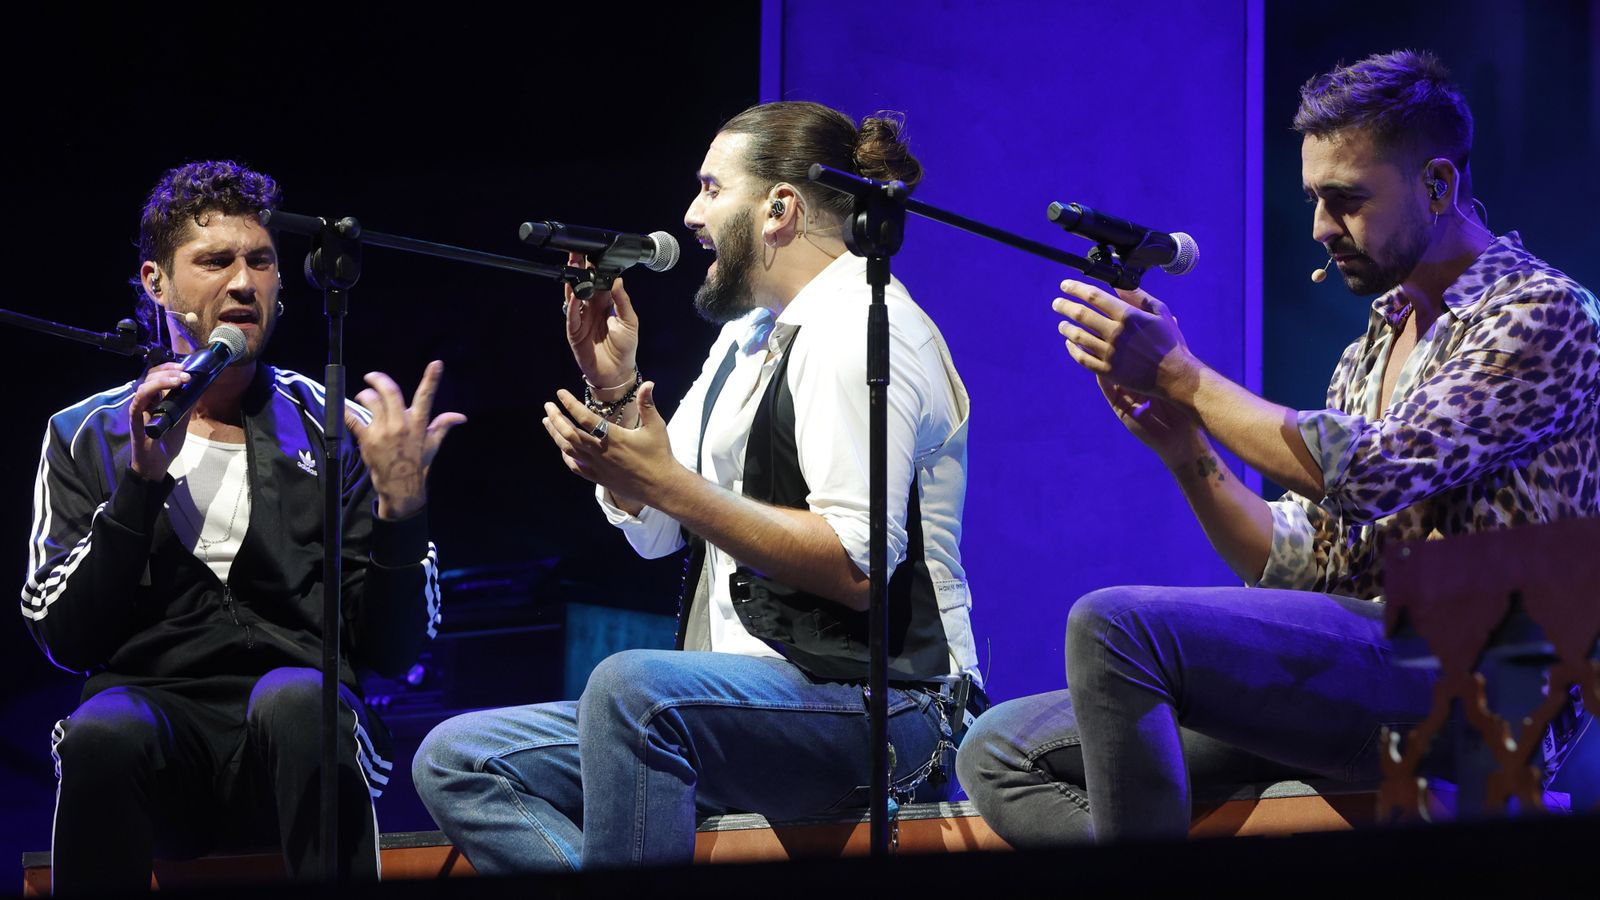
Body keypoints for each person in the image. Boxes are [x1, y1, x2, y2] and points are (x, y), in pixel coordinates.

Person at [956, 49, 1599, 844]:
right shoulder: (1378, 341)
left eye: (1347, 199)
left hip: (1479, 690)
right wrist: (1187, 449)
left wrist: (1182, 373)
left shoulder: (1540, 312)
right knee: (999, 748)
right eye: (1315, 200)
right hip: (1376, 668)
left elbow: (1369, 472)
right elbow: (1308, 560)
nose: (1322, 228)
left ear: (1437, 184)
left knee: (1116, 627)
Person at [413, 100, 981, 872]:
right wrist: (615, 393)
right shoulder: (745, 340)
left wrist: (669, 484)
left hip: (885, 709)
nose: (689, 215)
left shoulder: (861, 333)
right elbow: (657, 530)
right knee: (461, 755)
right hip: (743, 702)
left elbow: (855, 567)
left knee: (632, 689)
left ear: (779, 208)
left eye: (712, 189)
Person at [21, 160, 465, 890]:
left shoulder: (337, 428)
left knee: (296, 699)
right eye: (215, 261)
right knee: (101, 728)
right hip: (156, 762)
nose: (242, 282)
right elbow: (65, 638)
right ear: (154, 282)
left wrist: (400, 513)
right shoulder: (83, 432)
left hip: (303, 746)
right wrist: (140, 486)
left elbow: (396, 651)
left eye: (260, 261)